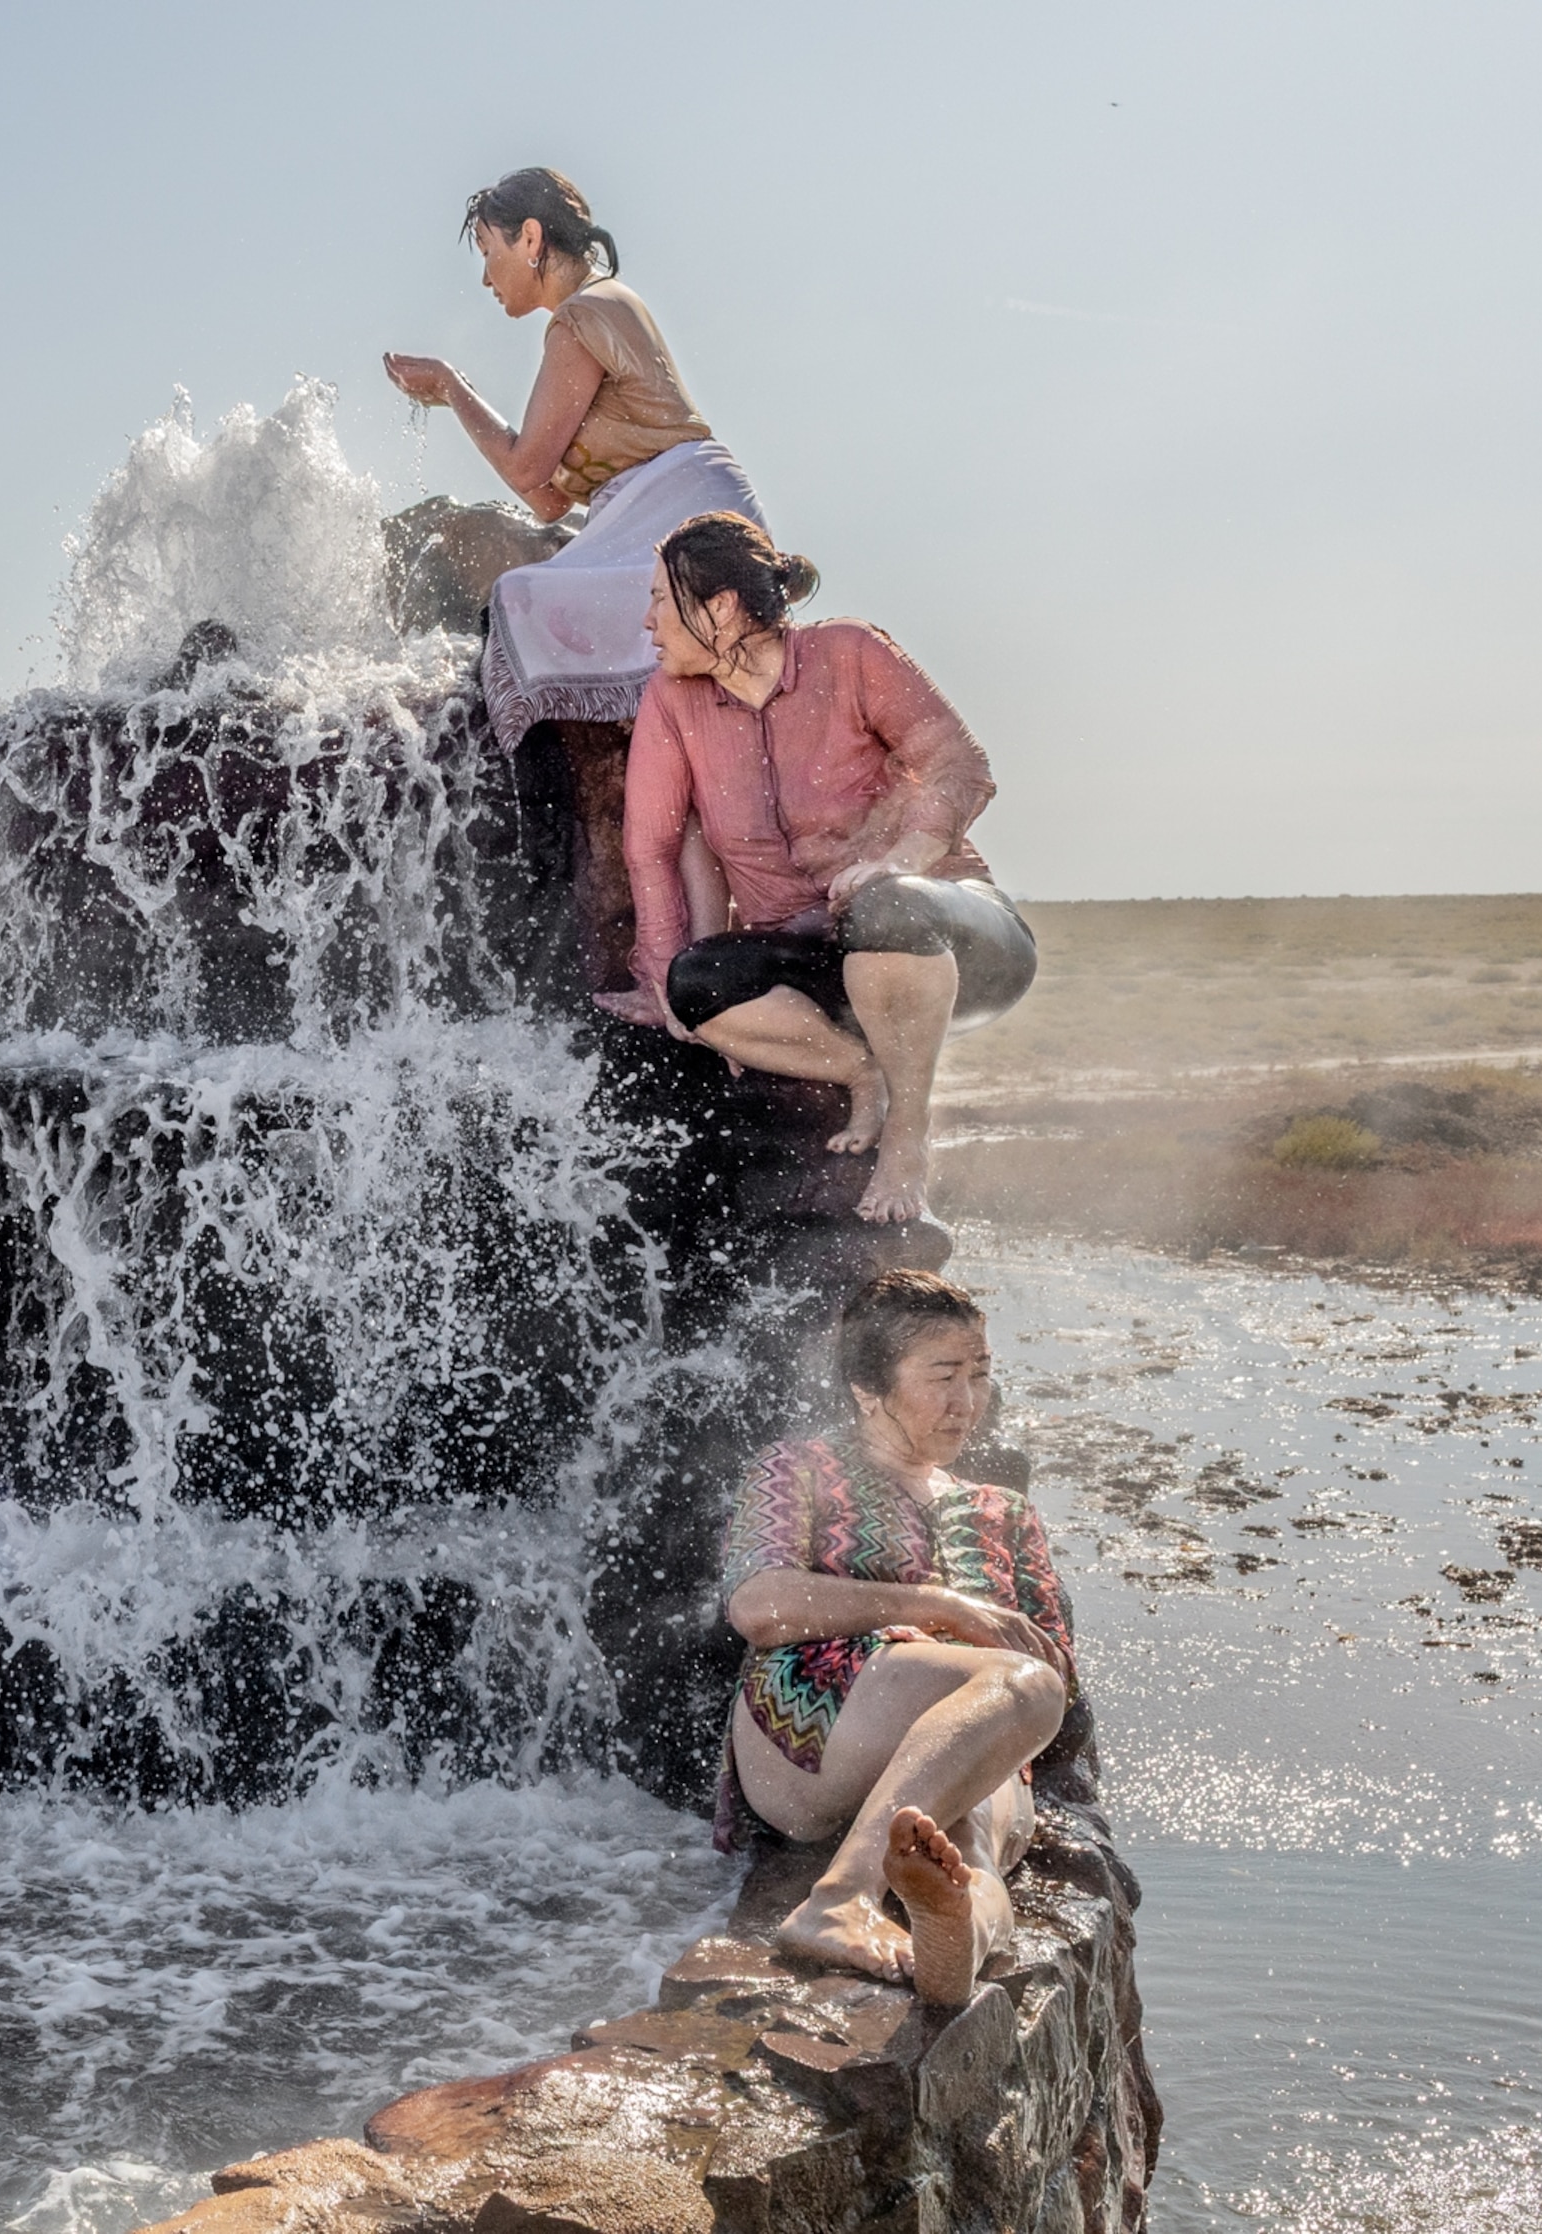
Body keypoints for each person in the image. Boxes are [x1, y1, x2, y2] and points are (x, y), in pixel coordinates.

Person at [592, 513, 1034, 1224]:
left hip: (951, 931)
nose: (647, 623)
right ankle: (862, 1072)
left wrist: (899, 862)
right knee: (695, 986)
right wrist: (660, 973)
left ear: (722, 607)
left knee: (882, 909)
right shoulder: (672, 702)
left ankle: (908, 1135)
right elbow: (653, 846)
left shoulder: (850, 652)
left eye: (660, 602)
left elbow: (962, 764)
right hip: (816, 957)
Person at [714, 1270, 1075, 2005]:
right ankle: (840, 1901)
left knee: (974, 1840)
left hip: (962, 1739)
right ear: (867, 1388)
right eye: (943, 1376)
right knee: (1020, 1686)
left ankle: (955, 1938)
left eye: (979, 1375)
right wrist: (935, 1608)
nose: (966, 1402)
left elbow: (1056, 1659)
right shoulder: (801, 1468)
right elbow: (758, 1606)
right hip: (815, 1729)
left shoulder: (1002, 1511)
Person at [380, 169, 769, 752]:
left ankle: (536, 826)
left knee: (515, 606)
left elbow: (526, 470)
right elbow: (549, 500)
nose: (486, 276)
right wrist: (450, 392)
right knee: (528, 612)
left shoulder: (583, 315)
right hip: (667, 510)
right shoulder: (594, 309)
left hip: (683, 514)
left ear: (531, 239)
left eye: (490, 252)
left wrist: (452, 388)